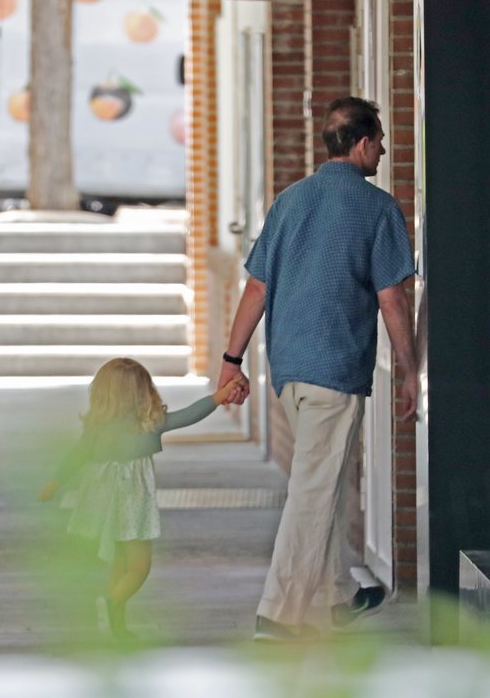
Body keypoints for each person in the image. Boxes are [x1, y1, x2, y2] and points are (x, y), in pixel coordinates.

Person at [218, 97, 417, 642]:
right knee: (313, 491)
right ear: (359, 144)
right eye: (378, 139)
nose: (382, 149)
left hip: (290, 371)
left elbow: (257, 286)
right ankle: (277, 615)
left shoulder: (291, 201)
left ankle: (334, 597)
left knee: (321, 482)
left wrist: (230, 361)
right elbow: (393, 298)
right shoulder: (377, 209)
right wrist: (411, 368)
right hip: (334, 370)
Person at [39, 357, 241, 639]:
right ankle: (112, 601)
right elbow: (188, 415)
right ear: (142, 392)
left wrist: (54, 483)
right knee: (140, 566)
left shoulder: (97, 429)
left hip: (106, 503)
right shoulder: (148, 424)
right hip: (132, 505)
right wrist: (219, 397)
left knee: (120, 564)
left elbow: (77, 456)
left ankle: (116, 624)